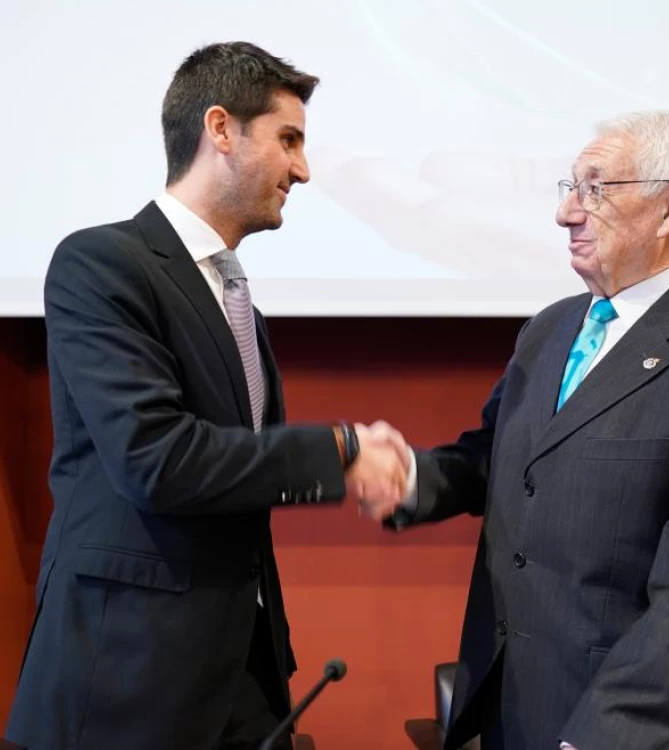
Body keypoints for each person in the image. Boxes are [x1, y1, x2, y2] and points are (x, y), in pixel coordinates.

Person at [3, 41, 407, 750]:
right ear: (220, 130)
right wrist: (340, 452)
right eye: (288, 140)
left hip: (238, 678)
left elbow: (237, 469)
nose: (303, 170)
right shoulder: (101, 264)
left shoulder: (233, 293)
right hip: (126, 685)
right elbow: (157, 460)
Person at [364, 111, 669, 749]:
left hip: (623, 730)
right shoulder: (548, 330)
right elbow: (495, 461)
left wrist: (602, 738)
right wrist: (407, 478)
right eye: (568, 188)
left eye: (594, 189)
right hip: (513, 707)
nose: (566, 213)